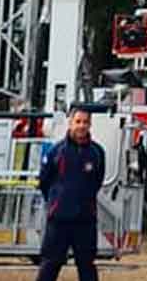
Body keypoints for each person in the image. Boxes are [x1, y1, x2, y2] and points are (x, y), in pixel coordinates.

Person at [35, 108, 106, 281]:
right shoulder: (56, 151)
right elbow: (44, 182)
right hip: (59, 220)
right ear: (70, 122)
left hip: (85, 220)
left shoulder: (97, 153)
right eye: (78, 121)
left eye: (85, 122)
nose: (81, 126)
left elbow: (97, 181)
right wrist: (56, 202)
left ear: (90, 125)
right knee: (50, 264)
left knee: (87, 266)